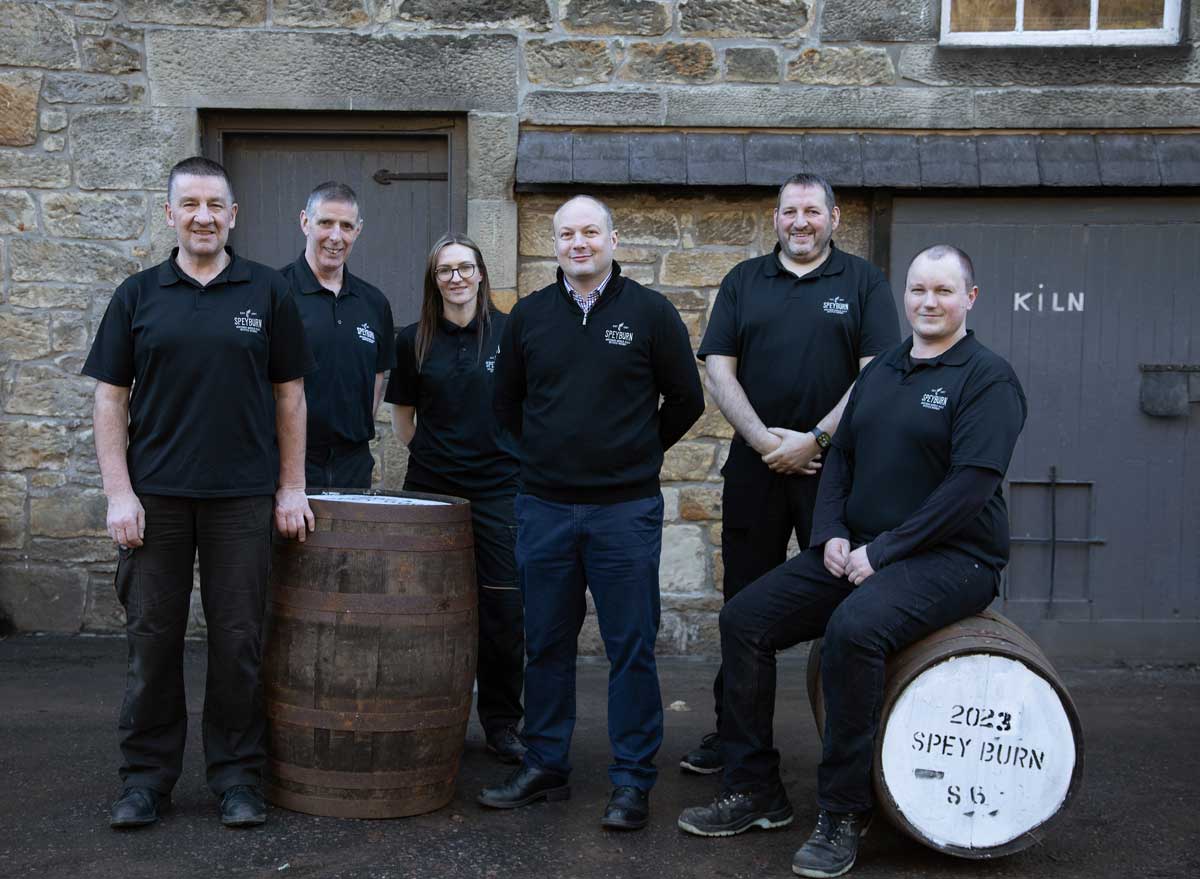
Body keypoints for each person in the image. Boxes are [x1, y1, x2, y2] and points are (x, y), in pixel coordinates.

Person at [677, 245, 1027, 879]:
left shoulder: (987, 378)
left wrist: (885, 550)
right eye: (918, 290)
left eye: (943, 292)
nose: (928, 301)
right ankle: (755, 788)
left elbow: (968, 489)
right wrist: (832, 530)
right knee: (745, 619)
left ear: (969, 299)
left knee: (854, 631)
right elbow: (838, 459)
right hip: (860, 545)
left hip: (953, 559)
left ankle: (844, 811)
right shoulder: (885, 368)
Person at [84, 156, 316, 830]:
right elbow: (109, 397)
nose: (204, 216)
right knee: (151, 641)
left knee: (239, 643)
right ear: (170, 214)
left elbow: (291, 396)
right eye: (190, 204)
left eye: (216, 205)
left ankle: (237, 777)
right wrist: (118, 493)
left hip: (242, 499)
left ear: (234, 214)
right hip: (155, 500)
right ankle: (145, 780)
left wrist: (290, 485)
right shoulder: (138, 294)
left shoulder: (267, 292)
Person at [481, 195, 705, 830]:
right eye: (566, 234)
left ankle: (632, 779)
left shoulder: (650, 313)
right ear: (555, 244)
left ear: (612, 239)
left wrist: (636, 453)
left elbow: (685, 399)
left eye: (589, 232)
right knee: (546, 643)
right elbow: (504, 407)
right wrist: (536, 465)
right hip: (545, 510)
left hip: (623, 513)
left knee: (630, 646)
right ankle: (546, 764)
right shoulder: (528, 317)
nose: (577, 243)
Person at [681, 173, 900, 775]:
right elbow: (719, 370)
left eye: (811, 211)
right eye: (788, 212)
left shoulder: (862, 281)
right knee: (744, 605)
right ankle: (735, 739)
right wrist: (762, 441)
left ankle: (854, 741)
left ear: (835, 219)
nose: (799, 222)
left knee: (848, 604)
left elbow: (876, 372)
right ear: (774, 219)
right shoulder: (744, 280)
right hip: (756, 471)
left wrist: (815, 440)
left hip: (834, 473)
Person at [386, 233, 526, 764]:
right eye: (445, 271)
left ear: (482, 274)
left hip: (499, 492)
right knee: (420, 609)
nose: (457, 278)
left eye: (465, 268)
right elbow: (403, 418)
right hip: (431, 492)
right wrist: (432, 454)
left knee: (504, 612)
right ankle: (421, 716)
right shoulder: (412, 340)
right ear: (434, 280)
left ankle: (502, 724)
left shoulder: (511, 334)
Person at [280, 181, 395, 490]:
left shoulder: (374, 303)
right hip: (287, 464)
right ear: (305, 222)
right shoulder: (275, 293)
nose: (336, 236)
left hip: (353, 465)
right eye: (326, 223)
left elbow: (377, 376)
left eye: (346, 226)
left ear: (358, 231)